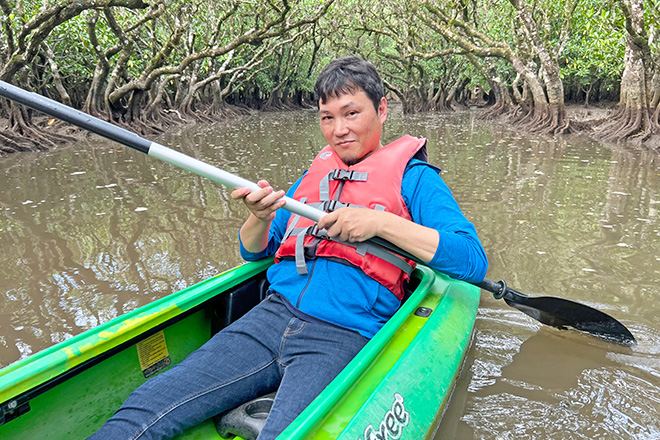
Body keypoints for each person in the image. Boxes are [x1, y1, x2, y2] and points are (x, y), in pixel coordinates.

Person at [89, 56, 487, 440]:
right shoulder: (316, 175)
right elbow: (253, 252)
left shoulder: (414, 179)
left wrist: (380, 223)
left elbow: (471, 260)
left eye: (351, 113)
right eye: (327, 117)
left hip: (342, 333)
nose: (338, 129)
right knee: (148, 404)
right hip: (270, 318)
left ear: (381, 110)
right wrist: (258, 216)